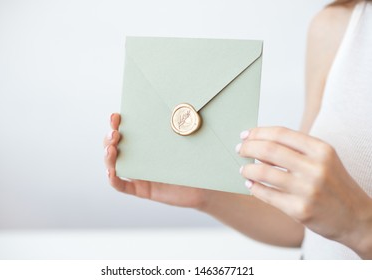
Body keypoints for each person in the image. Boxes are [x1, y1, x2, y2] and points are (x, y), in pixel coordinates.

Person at [104, 0, 372, 259]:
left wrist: (361, 227)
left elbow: (347, 223)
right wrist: (204, 192)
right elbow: (303, 225)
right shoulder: (339, 25)